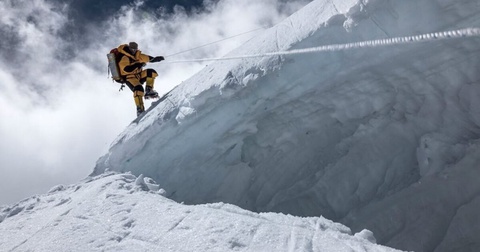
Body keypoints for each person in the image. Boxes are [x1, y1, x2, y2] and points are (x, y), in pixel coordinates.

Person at [117, 42, 165, 116]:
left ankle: (149, 90)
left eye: (135, 49)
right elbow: (127, 69)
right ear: (129, 48)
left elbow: (147, 58)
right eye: (132, 49)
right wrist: (138, 65)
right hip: (129, 77)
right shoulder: (124, 57)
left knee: (151, 72)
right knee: (138, 89)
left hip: (139, 75)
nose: (133, 50)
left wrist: (156, 59)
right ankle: (140, 109)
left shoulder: (137, 55)